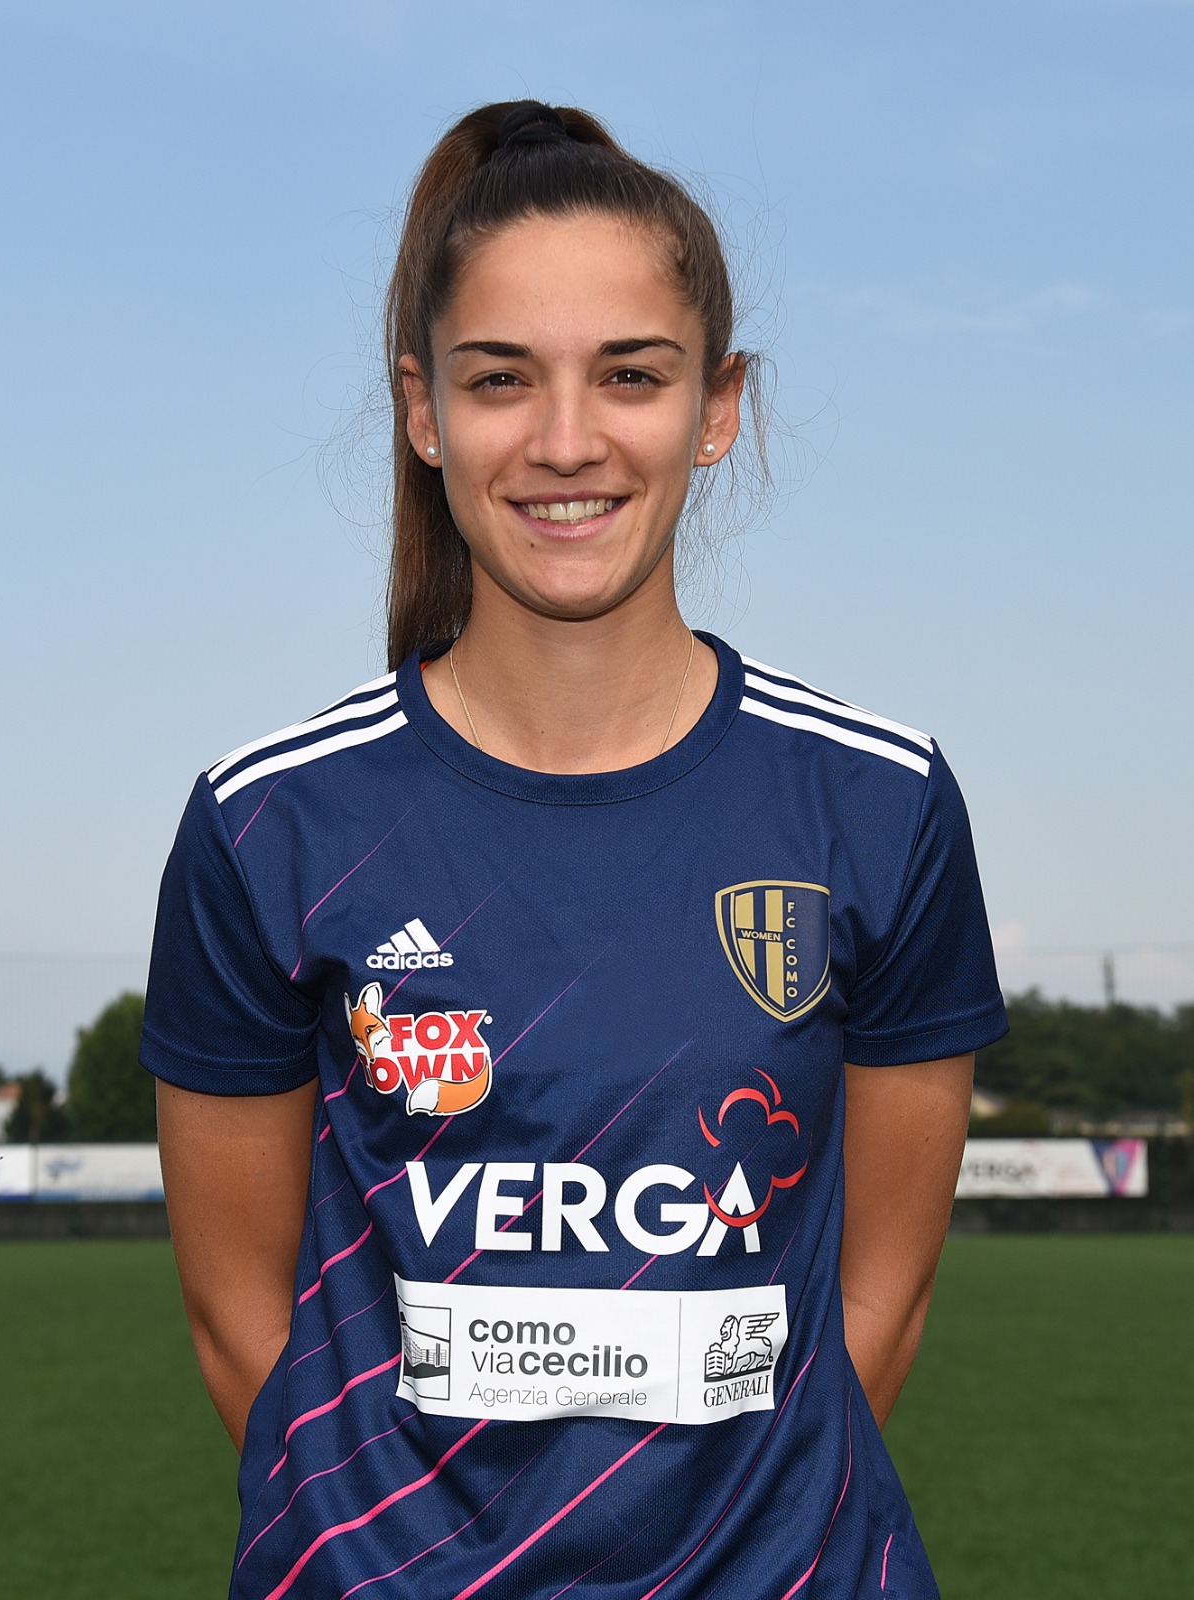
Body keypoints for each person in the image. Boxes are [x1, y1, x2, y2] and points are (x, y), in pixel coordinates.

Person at [142, 99, 1008, 1600]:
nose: (563, 441)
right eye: (499, 379)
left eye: (630, 375)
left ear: (717, 407)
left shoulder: (879, 804)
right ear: (422, 412)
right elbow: (239, 1325)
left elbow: (884, 1296)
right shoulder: (269, 822)